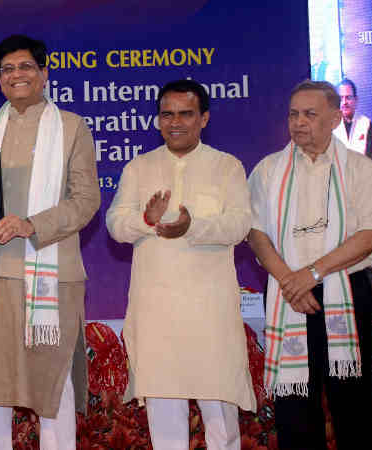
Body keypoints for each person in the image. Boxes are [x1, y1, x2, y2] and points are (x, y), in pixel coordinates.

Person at [0, 35, 101, 450]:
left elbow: (87, 201)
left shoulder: (71, 127)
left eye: (26, 66)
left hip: (53, 278)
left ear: (44, 72)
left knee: (52, 386)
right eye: (8, 69)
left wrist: (31, 224)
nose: (17, 75)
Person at [106, 79, 255, 449]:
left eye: (186, 114)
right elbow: (115, 225)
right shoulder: (139, 168)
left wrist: (195, 226)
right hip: (158, 308)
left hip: (210, 308)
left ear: (204, 118)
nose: (175, 122)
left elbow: (240, 224)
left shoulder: (227, 167)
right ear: (157, 121)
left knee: (219, 406)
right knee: (164, 408)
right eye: (167, 114)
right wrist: (146, 220)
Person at [248, 80, 372, 449]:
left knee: (352, 402)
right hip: (287, 293)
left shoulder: (361, 169)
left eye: (310, 114)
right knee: (293, 408)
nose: (298, 122)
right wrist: (290, 280)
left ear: (334, 117)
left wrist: (311, 273)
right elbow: (255, 233)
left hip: (344, 291)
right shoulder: (267, 170)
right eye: (293, 114)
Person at [333, 79, 372, 160]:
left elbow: (371, 159)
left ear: (356, 100)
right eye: (341, 98)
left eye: (348, 97)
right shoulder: (330, 126)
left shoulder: (366, 124)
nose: (344, 102)